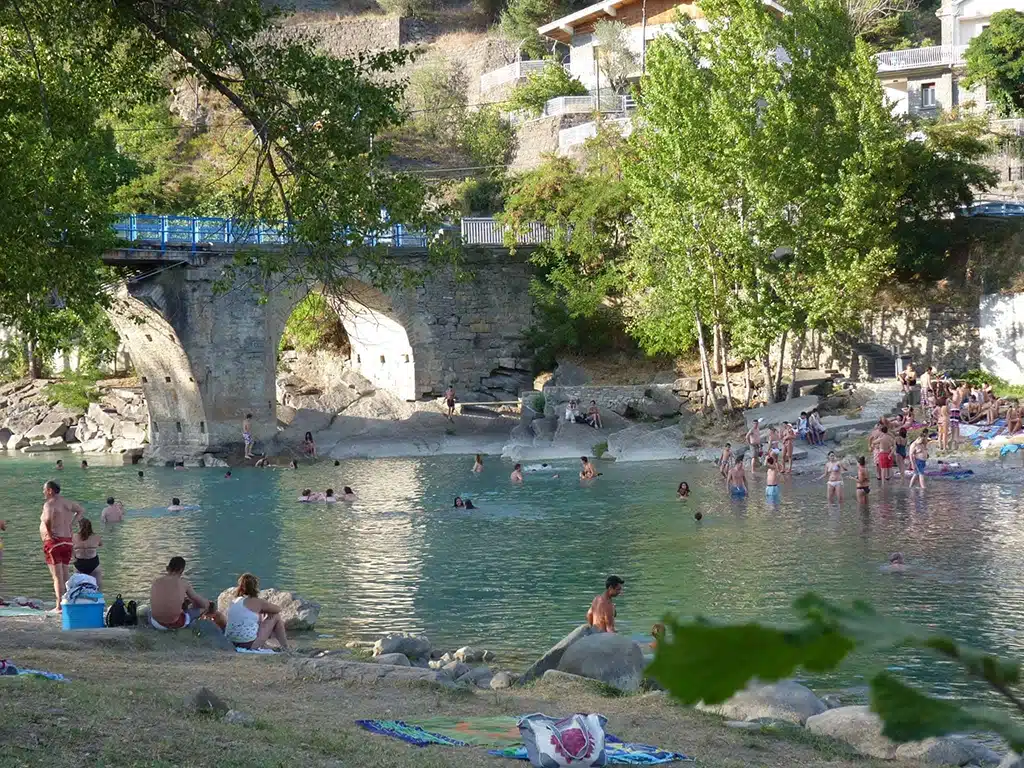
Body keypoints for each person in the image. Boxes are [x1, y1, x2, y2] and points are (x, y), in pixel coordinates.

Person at [40, 480, 83, 609]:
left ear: (50, 490)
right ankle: (68, 601)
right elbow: (81, 510)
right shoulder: (68, 503)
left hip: (54, 542)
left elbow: (47, 519)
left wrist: (49, 531)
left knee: (57, 576)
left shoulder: (49, 504)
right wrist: (72, 523)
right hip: (67, 541)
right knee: (65, 573)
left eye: (44, 490)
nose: (43, 492)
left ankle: (59, 606)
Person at [149, 556, 223, 630]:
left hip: (155, 622)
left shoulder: (156, 581)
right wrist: (207, 604)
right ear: (182, 570)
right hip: (175, 624)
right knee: (203, 607)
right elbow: (201, 603)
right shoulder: (183, 583)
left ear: (167, 568)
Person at [224, 573, 289, 651]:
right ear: (255, 587)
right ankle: (286, 648)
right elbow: (278, 609)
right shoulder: (257, 602)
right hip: (249, 645)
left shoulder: (234, 601)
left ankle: (268, 644)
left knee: (254, 618)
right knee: (276, 616)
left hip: (230, 643)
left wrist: (261, 611)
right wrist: (264, 610)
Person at [72, 518, 103, 590]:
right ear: (90, 526)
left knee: (77, 588)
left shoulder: (73, 537)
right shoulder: (96, 537)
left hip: (79, 563)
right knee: (98, 587)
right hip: (93, 563)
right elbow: (100, 544)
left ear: (79, 527)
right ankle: (98, 599)